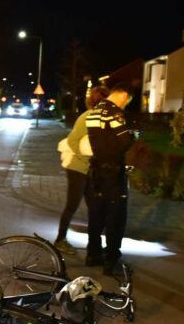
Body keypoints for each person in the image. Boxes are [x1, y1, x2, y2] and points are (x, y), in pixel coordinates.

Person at [85, 82, 137, 274]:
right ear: (123, 95)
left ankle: (93, 254)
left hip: (96, 171)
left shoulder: (94, 111)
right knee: (116, 216)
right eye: (127, 101)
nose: (125, 105)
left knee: (96, 214)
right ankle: (111, 259)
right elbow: (125, 141)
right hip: (113, 173)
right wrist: (133, 136)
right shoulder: (114, 113)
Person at [54, 85, 109, 256]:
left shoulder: (102, 119)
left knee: (94, 207)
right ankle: (60, 240)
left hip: (90, 169)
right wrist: (86, 157)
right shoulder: (86, 117)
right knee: (72, 205)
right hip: (77, 168)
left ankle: (94, 245)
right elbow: (72, 140)